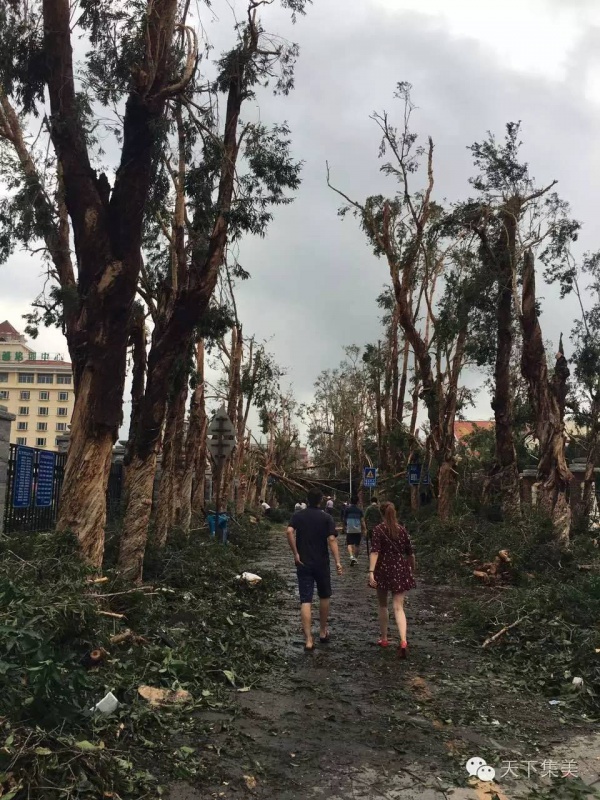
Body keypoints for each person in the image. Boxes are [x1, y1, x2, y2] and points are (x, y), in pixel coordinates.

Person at [287, 488, 343, 651]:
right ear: (321, 501)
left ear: (307, 499)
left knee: (306, 600)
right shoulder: (326, 517)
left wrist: (296, 553)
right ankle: (323, 631)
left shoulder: (298, 516)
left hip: (303, 562)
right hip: (322, 563)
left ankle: (309, 640)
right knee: (324, 596)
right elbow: (332, 539)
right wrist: (338, 562)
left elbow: (289, 531)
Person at [368, 501, 416, 657]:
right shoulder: (402, 530)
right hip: (399, 569)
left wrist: (371, 571)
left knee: (383, 605)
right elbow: (410, 553)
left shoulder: (378, 530)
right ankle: (403, 641)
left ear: (382, 513)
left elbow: (375, 552)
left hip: (383, 569)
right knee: (399, 607)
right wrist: (411, 568)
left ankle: (384, 638)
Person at [344, 495, 366, 566]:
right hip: (357, 530)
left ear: (350, 501)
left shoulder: (347, 509)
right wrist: (365, 529)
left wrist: (344, 527)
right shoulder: (359, 510)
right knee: (357, 545)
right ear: (357, 502)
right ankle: (355, 558)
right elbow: (362, 521)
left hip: (349, 529)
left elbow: (344, 519)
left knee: (349, 544)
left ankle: (351, 556)